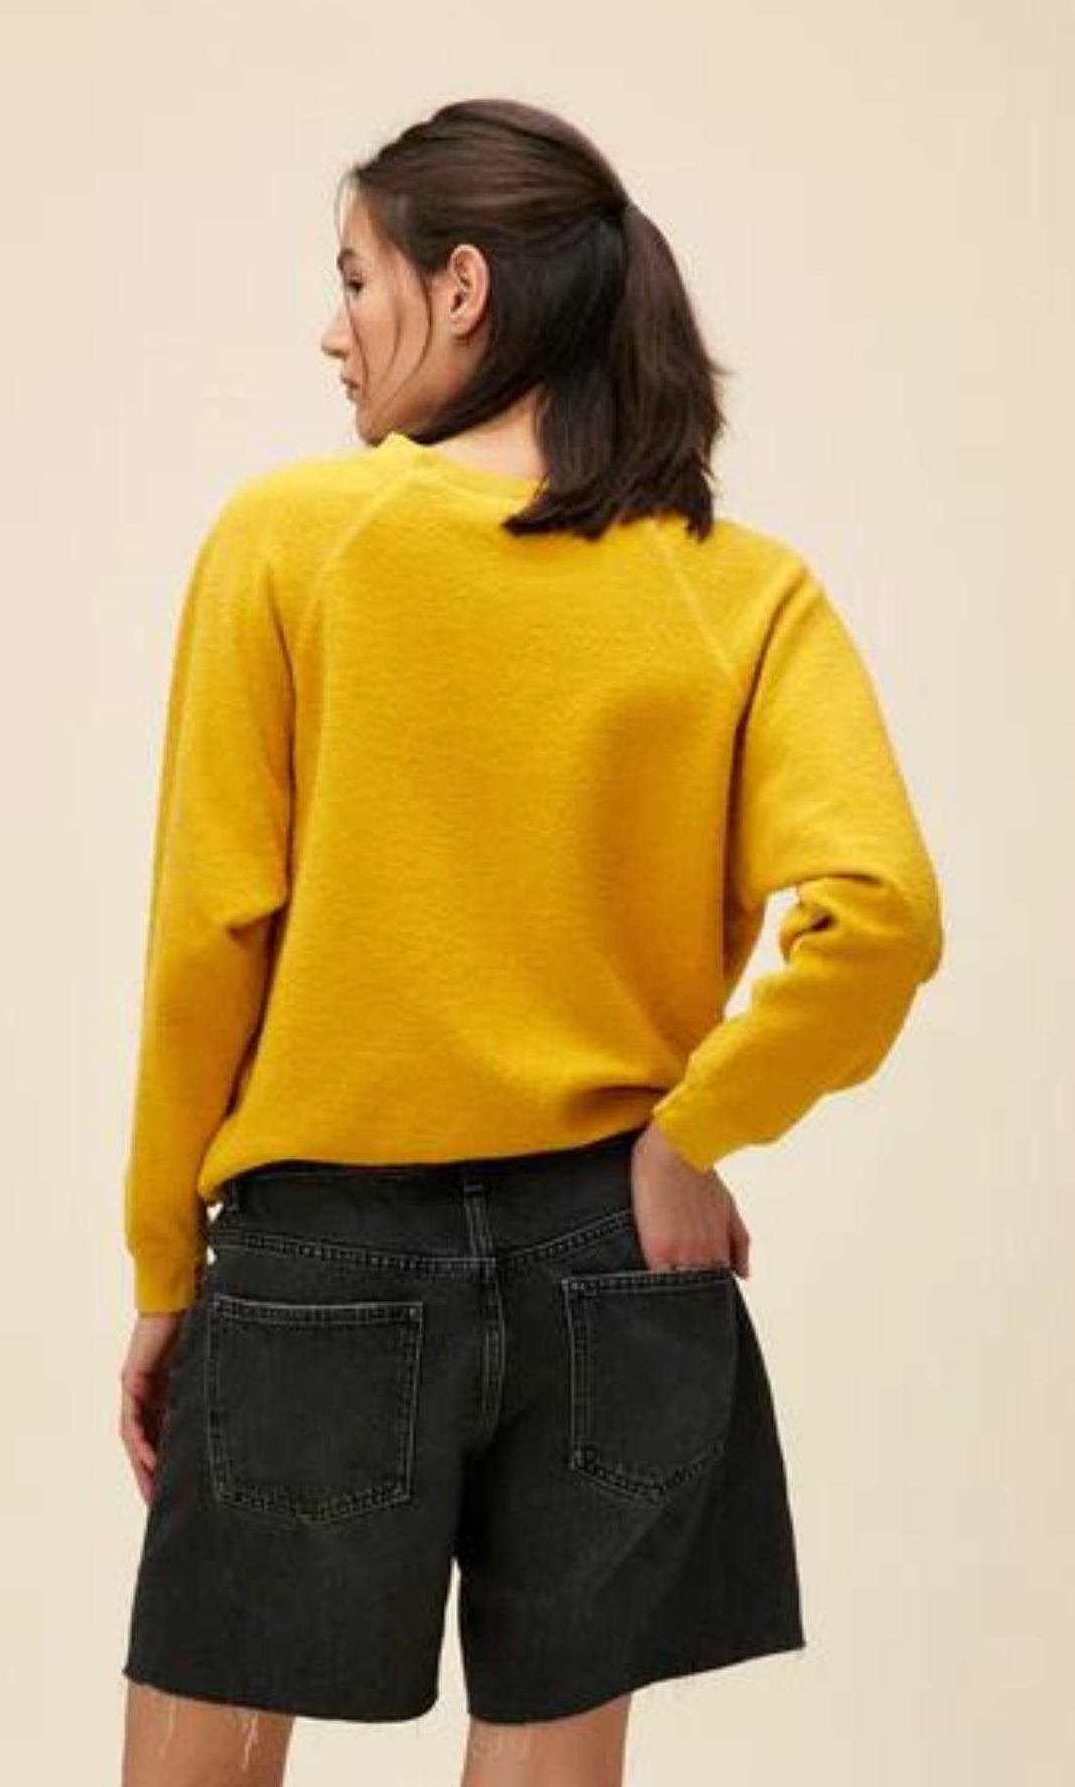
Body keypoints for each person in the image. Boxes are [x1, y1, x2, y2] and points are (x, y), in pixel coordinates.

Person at [117, 97, 944, 1787]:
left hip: (322, 1261)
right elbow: (885, 916)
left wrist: (163, 1273)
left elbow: (210, 939)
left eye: (357, 277)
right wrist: (694, 1137)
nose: (332, 328)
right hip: (616, 1271)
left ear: (464, 287)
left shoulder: (292, 539)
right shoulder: (738, 586)